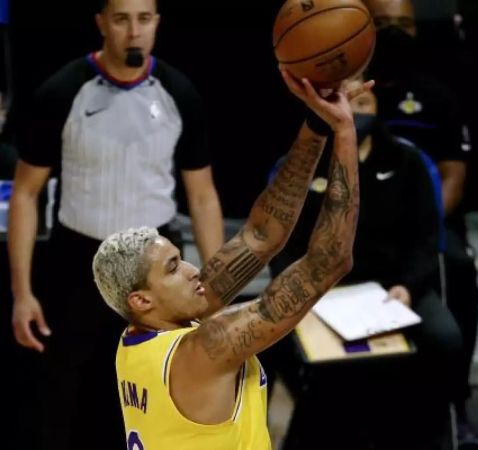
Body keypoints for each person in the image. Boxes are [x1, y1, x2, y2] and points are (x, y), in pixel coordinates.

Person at [93, 71, 364, 449]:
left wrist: (317, 123)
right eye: (173, 268)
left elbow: (260, 234)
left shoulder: (139, 338)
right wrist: (346, 134)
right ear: (142, 300)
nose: (192, 271)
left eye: (180, 258)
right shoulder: (203, 351)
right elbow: (329, 261)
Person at [8, 0, 223, 448]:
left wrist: (216, 286)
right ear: (101, 23)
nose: (133, 32)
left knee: (155, 391)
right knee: (62, 394)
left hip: (158, 265)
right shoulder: (63, 91)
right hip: (77, 261)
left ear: (157, 24)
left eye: (144, 19)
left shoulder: (179, 93)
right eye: (122, 19)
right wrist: (23, 293)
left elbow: (202, 196)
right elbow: (26, 194)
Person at [269, 76, 463, 450]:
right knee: (267, 344)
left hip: (392, 290)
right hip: (318, 291)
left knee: (446, 338)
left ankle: (433, 433)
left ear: (378, 110)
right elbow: (282, 244)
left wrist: (407, 286)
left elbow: (424, 241)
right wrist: (300, 294)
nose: (353, 114)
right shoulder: (303, 163)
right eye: (346, 104)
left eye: (363, 106)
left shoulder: (407, 162)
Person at [364, 1, 478, 445]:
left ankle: (457, 403)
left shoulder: (436, 95)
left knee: (458, 267)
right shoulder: (349, 93)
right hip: (362, 228)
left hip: (428, 221)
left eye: (403, 25)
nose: (394, 33)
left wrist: (422, 220)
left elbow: (454, 174)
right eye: (382, 25)